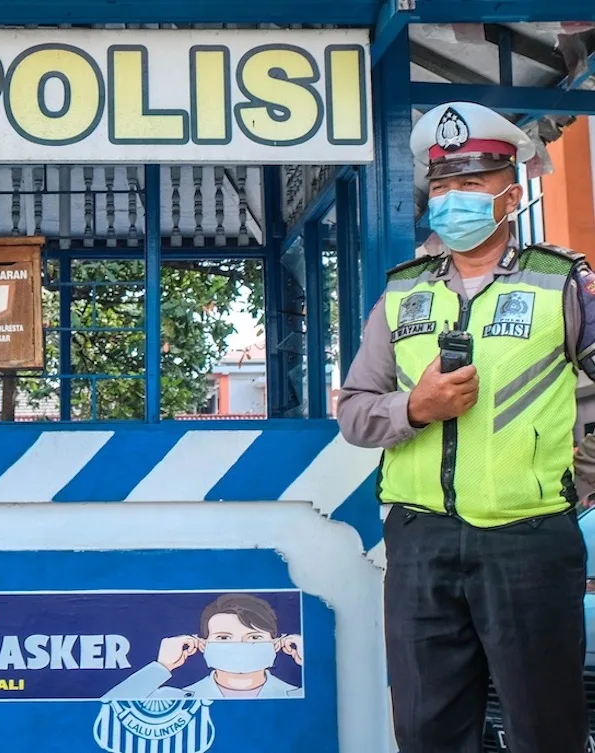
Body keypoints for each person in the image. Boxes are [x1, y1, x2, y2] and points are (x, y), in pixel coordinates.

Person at [337, 101, 595, 753]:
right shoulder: (401, 292)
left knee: (544, 728)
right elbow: (355, 410)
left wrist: (577, 480)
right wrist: (413, 409)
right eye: (443, 186)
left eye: (471, 184)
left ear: (509, 193)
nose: (454, 201)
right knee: (428, 728)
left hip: (528, 538)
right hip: (421, 540)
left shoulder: (561, 283)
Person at [99, 593, 303, 701]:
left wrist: (310, 662)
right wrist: (161, 666)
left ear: (277, 644)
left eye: (254, 637)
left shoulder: (298, 694)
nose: (240, 645)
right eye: (224, 637)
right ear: (202, 644)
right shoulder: (173, 698)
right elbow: (104, 710)